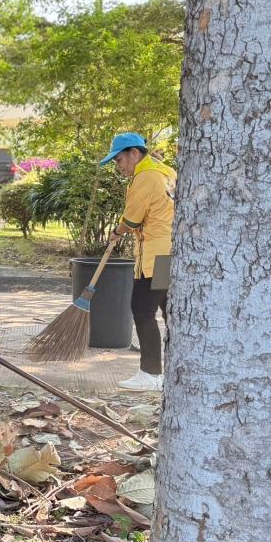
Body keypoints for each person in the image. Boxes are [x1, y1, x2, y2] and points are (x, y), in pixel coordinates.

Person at [100, 132, 176, 391]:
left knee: (143, 310)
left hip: (154, 255)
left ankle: (151, 373)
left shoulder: (145, 177)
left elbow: (132, 217)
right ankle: (174, 371)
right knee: (170, 312)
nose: (118, 166)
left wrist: (117, 232)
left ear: (135, 153)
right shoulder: (162, 170)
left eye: (119, 160)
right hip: (168, 253)